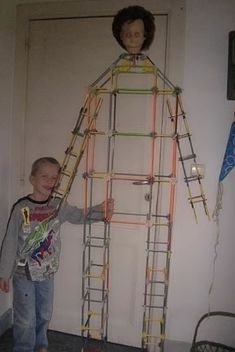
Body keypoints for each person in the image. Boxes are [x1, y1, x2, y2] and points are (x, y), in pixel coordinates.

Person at [0, 157, 114, 352]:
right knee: (26, 318)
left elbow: (79, 216)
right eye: (45, 176)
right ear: (32, 178)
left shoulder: (58, 206)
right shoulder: (21, 207)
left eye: (54, 178)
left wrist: (101, 211)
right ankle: (24, 348)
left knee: (44, 313)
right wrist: (4, 273)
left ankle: (41, 345)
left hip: (47, 273)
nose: (50, 182)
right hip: (23, 273)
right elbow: (10, 241)